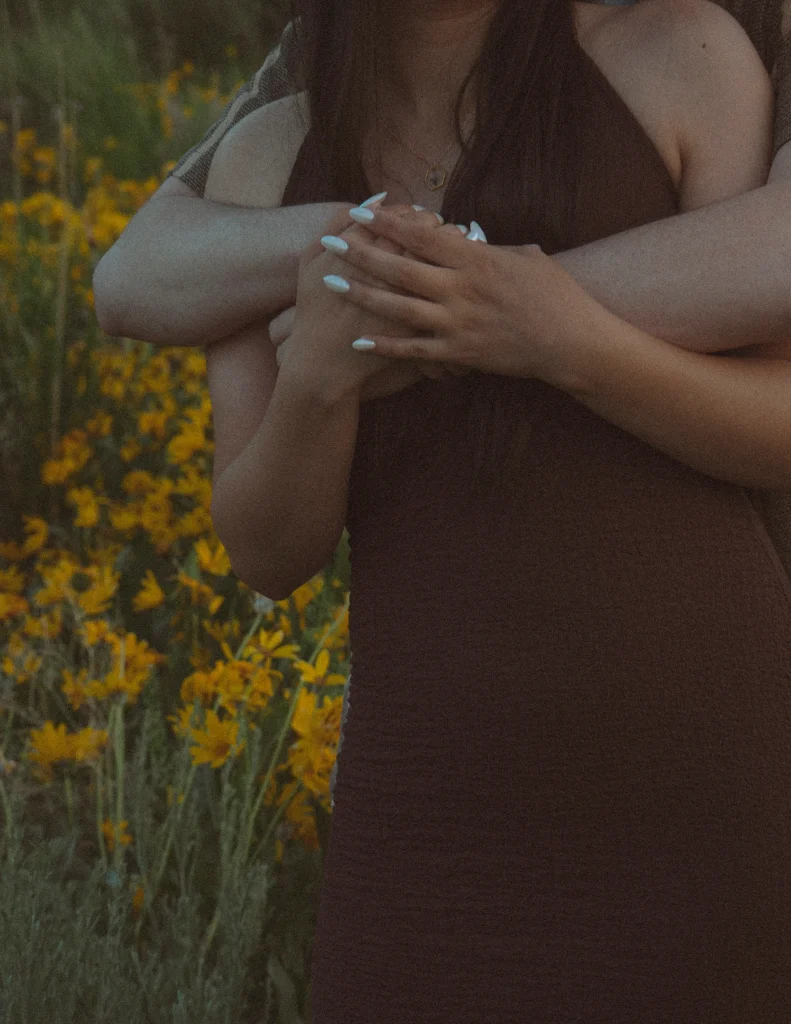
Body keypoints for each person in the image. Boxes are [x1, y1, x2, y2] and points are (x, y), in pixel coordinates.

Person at [96, 0, 791, 1018]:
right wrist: (318, 384)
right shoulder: (264, 158)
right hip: (429, 807)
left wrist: (557, 339)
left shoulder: (676, 58)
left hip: (700, 783)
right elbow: (263, 550)